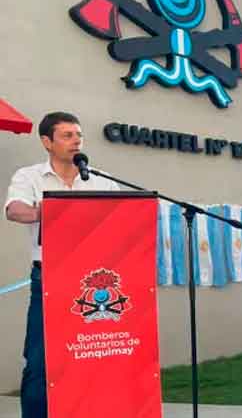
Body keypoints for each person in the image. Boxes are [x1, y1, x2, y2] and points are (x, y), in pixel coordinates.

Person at [5, 111, 120, 418]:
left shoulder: (100, 180)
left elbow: (119, 220)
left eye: (78, 135)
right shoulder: (28, 176)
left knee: (94, 356)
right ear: (47, 142)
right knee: (40, 361)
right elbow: (15, 210)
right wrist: (50, 210)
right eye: (67, 136)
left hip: (95, 280)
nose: (76, 141)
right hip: (49, 278)